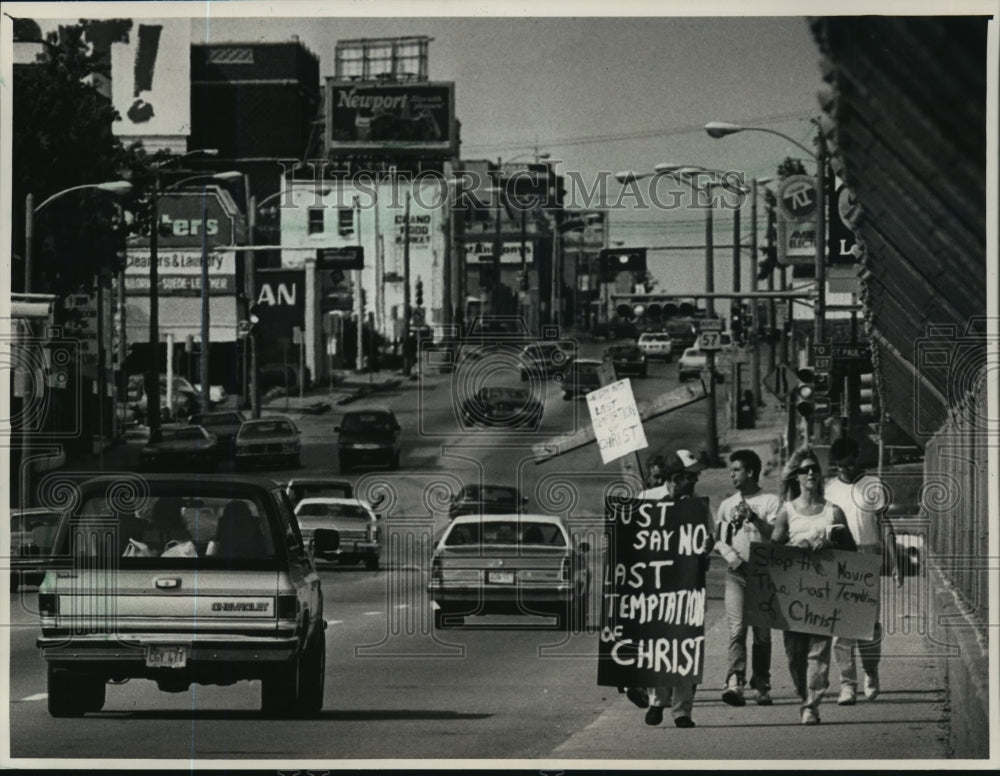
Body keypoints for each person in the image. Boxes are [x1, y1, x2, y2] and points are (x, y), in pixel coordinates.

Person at [771, 446, 856, 725]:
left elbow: (852, 551)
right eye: (805, 470)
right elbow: (773, 549)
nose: (810, 473)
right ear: (796, 477)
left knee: (818, 651)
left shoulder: (834, 512)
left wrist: (831, 543)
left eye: (815, 470)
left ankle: (811, 705)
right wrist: (794, 548)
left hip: (823, 593)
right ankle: (802, 694)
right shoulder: (787, 512)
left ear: (820, 476)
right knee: (795, 655)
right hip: (793, 594)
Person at [636, 449, 714, 728]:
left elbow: (709, 538)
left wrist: (706, 545)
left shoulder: (699, 506)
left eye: (695, 476)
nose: (695, 481)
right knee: (657, 644)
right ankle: (658, 700)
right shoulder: (645, 501)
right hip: (655, 588)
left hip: (688, 586)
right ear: (676, 477)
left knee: (686, 647)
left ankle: (682, 710)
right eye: (691, 476)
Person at [825, 437, 903, 705]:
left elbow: (885, 524)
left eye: (849, 465)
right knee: (841, 626)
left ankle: (870, 672)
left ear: (857, 459)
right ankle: (847, 683)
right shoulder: (830, 490)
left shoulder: (872, 485)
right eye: (840, 467)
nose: (845, 471)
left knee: (868, 626)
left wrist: (895, 564)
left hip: (868, 556)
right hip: (841, 558)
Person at [715, 449, 782, 707]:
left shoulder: (770, 501)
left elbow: (777, 535)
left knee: (762, 634)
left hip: (764, 575)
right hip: (736, 574)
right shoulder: (726, 505)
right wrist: (732, 557)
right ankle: (735, 679)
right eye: (731, 470)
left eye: (736, 470)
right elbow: (718, 540)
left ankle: (762, 681)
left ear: (751, 472)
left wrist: (753, 517)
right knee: (737, 629)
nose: (732, 475)